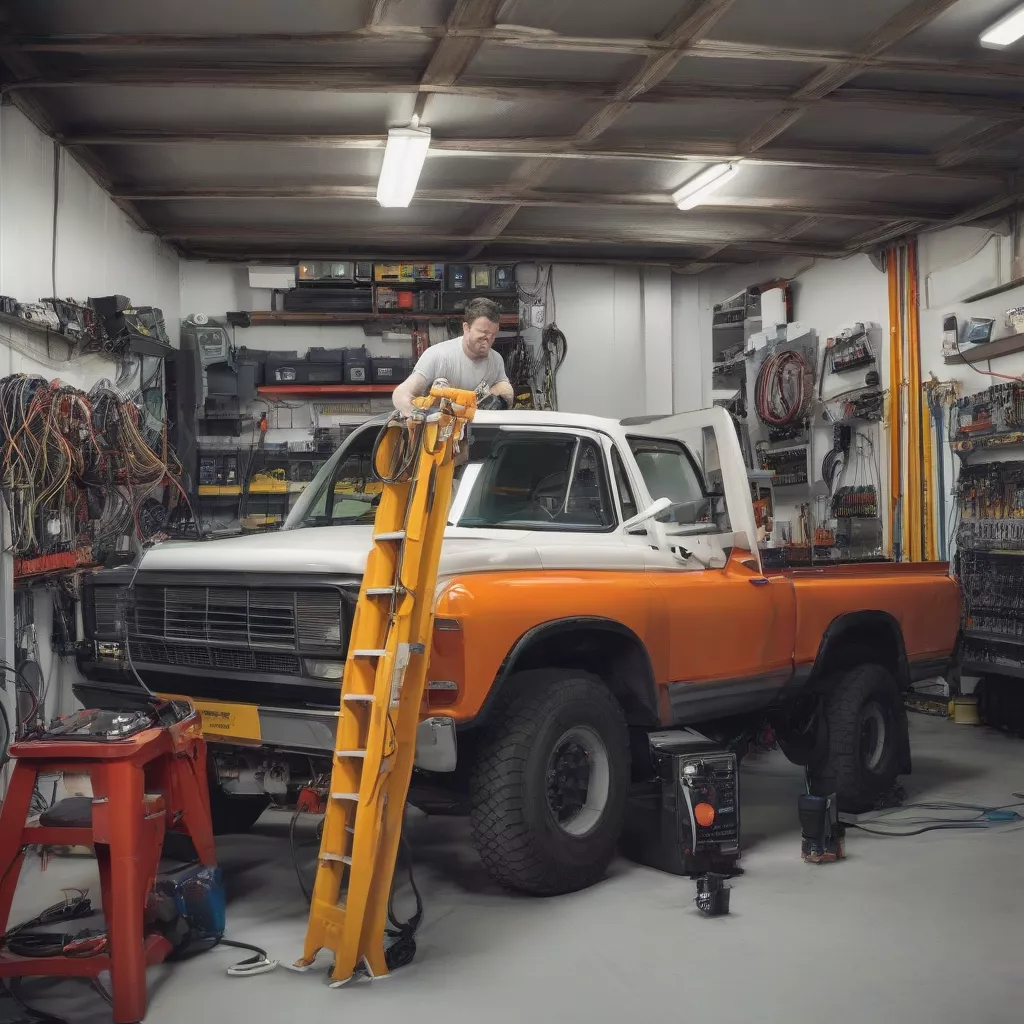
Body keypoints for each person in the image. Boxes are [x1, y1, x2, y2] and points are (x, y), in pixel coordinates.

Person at [391, 297, 515, 416]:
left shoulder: (496, 360)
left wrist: (496, 397)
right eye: (483, 333)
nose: (488, 339)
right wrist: (415, 414)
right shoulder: (438, 356)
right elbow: (401, 394)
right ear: (466, 328)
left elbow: (506, 391)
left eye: (493, 334)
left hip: (478, 434)